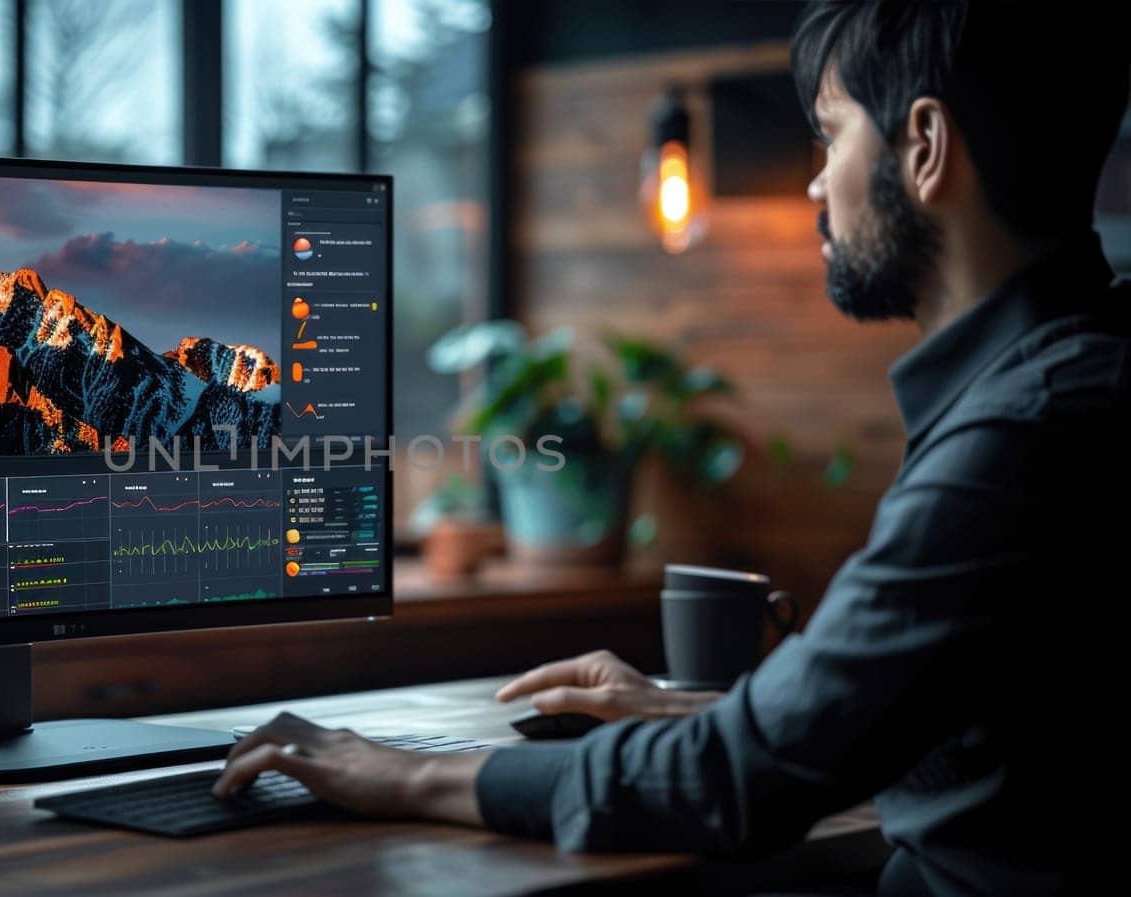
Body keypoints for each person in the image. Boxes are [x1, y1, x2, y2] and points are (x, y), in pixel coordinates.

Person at [213, 3, 1131, 894]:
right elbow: (937, 732)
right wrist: (704, 711)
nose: (815, 182)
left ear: (924, 148)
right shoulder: (1074, 381)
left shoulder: (1023, 438)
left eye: (832, 133)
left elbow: (734, 782)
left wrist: (398, 772)